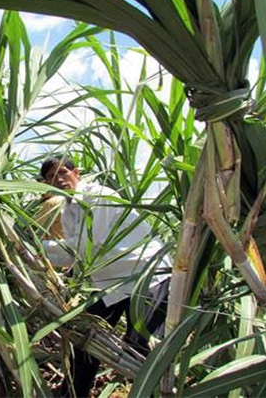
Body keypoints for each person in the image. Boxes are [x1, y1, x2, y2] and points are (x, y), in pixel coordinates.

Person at [37, 155, 171, 398]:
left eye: (62, 173)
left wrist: (37, 247)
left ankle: (153, 393)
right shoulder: (69, 209)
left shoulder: (97, 196)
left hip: (147, 275)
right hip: (111, 283)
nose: (58, 180)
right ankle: (72, 394)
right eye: (50, 178)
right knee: (87, 338)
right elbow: (75, 257)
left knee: (141, 347)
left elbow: (89, 246)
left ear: (76, 172)